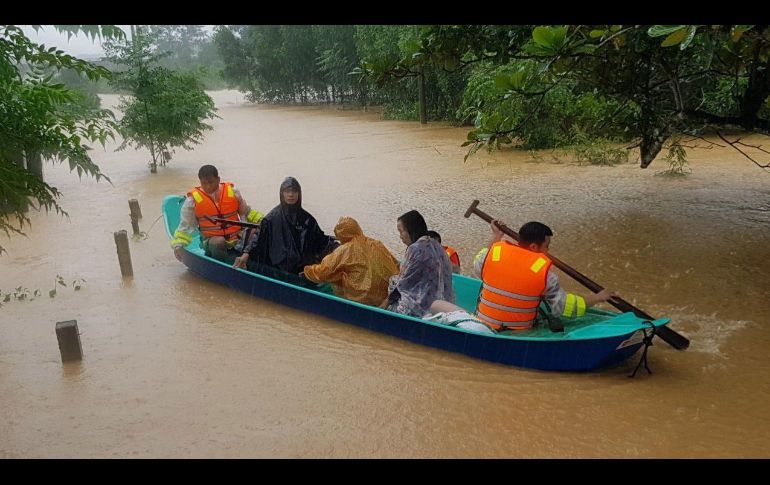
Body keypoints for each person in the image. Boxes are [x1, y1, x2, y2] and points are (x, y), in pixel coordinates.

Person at [430, 220, 615, 333]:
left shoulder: (494, 253)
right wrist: (599, 297)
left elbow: (478, 265)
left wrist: (496, 235)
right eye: (547, 245)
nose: (548, 250)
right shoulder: (544, 272)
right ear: (534, 247)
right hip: (517, 333)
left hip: (484, 325)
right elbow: (563, 307)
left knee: (436, 304)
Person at [238, 177, 338, 279]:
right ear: (282, 193)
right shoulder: (271, 218)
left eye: (294, 191)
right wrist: (246, 254)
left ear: (299, 194)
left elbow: (321, 240)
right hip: (278, 269)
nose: (291, 194)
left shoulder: (308, 219)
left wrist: (339, 248)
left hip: (303, 271)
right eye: (287, 191)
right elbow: (258, 238)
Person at [170, 164, 263, 264]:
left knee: (255, 232)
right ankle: (222, 265)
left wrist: (264, 222)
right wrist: (178, 245)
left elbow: (246, 212)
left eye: (211, 182)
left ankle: (250, 261)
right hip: (212, 241)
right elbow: (186, 225)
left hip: (236, 238)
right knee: (219, 242)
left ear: (218, 179)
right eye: (204, 183)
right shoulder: (192, 201)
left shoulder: (232, 191)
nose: (208, 186)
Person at [302, 216, 400, 306]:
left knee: (335, 275)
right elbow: (396, 264)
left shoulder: (345, 250)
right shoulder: (376, 243)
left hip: (362, 297)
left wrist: (307, 270)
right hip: (387, 295)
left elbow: (324, 271)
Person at [382, 210, 455, 318]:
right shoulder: (437, 245)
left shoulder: (415, 249)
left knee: (393, 281)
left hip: (421, 310)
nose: (400, 236)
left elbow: (403, 284)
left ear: (411, 230)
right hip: (445, 305)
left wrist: (384, 304)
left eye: (401, 231)